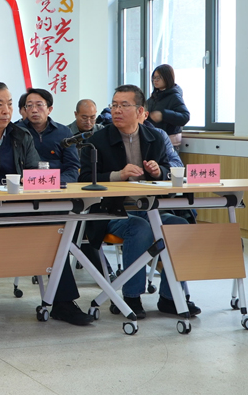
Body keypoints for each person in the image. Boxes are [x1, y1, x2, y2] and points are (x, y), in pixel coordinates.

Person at [0, 81, 93, 329]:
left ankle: (63, 303)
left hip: (16, 211)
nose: (6, 110)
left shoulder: (22, 137)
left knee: (54, 232)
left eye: (10, 104)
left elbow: (34, 176)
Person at [80, 84, 200, 319]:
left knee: (179, 226)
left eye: (124, 105)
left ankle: (171, 297)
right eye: (114, 105)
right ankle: (130, 298)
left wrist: (159, 171)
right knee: (139, 227)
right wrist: (118, 175)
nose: (116, 110)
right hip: (111, 212)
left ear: (140, 111)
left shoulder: (155, 137)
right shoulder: (97, 140)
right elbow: (84, 179)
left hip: (151, 208)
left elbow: (170, 170)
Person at [18, 88, 79, 184]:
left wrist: (53, 182)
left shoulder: (64, 132)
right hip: (24, 186)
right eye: (29, 105)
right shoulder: (17, 131)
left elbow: (72, 167)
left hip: (58, 186)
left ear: (49, 109)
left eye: (39, 105)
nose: (34, 110)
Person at [146, 64, 190, 147]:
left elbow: (185, 117)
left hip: (169, 142)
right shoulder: (154, 96)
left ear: (167, 77)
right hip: (155, 140)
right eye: (154, 78)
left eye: (158, 78)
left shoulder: (174, 96)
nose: (155, 80)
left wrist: (163, 115)